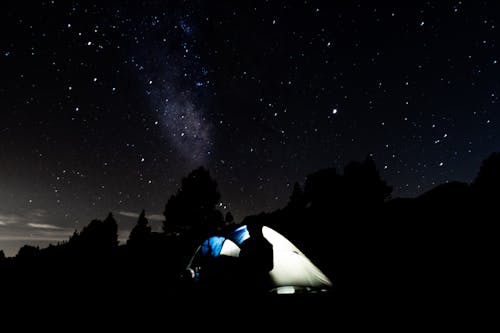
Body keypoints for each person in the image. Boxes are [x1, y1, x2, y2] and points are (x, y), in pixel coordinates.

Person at [238, 223, 274, 293]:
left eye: (250, 231)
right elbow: (270, 266)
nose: (249, 233)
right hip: (262, 281)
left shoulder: (245, 244)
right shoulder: (267, 244)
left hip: (250, 280)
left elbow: (240, 262)